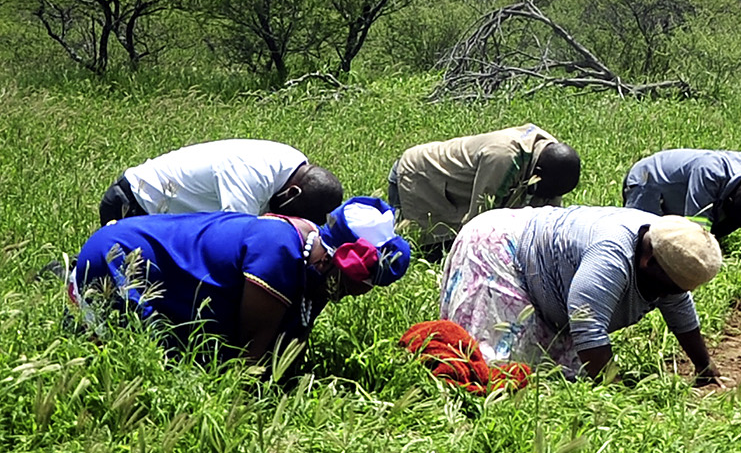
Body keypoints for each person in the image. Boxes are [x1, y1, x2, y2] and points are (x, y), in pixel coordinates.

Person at [68, 197, 412, 362]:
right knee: (141, 363)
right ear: (331, 262)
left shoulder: (312, 262)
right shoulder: (280, 253)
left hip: (136, 256)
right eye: (349, 286)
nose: (349, 296)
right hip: (123, 258)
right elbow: (249, 356)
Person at [437, 206, 724, 385]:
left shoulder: (667, 243)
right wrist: (618, 392)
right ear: (648, 262)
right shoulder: (611, 255)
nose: (667, 296)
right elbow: (587, 324)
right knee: (498, 370)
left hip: (541, 261)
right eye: (669, 287)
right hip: (500, 250)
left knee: (558, 374)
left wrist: (704, 366)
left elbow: (679, 307)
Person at [390, 125, 581, 253]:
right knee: (415, 252)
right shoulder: (503, 158)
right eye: (545, 191)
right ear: (537, 173)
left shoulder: (551, 155)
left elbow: (549, 218)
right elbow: (478, 223)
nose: (545, 198)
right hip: (419, 179)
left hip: (456, 190)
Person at [100, 139, 343, 225]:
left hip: (167, 217)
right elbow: (239, 239)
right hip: (136, 205)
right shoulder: (253, 175)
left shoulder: (292, 163)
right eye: (295, 215)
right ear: (292, 193)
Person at [621, 149, 741, 240]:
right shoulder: (709, 173)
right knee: (644, 236)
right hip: (647, 180)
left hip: (682, 187)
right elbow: (696, 225)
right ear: (729, 200)